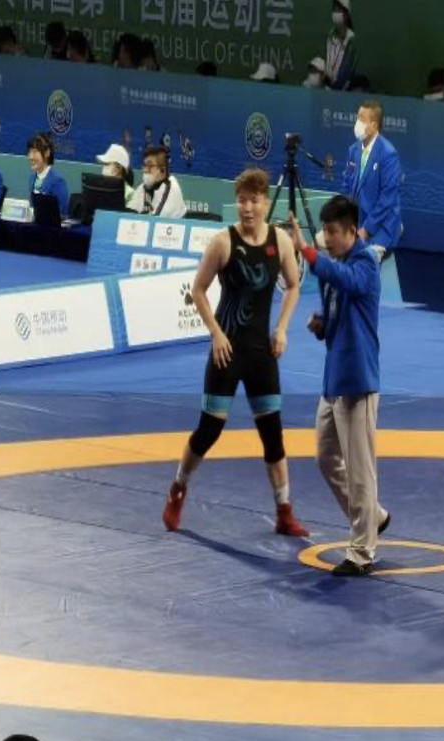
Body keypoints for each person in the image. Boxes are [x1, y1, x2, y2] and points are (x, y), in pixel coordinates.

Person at [162, 168, 308, 538]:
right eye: (241, 201)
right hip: (227, 351)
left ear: (265, 203)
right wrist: (215, 333)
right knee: (209, 429)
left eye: (254, 201)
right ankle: (178, 487)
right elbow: (198, 290)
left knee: (273, 435)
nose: (247, 208)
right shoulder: (222, 243)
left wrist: (282, 328)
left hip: (261, 351)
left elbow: (294, 286)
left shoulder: (280, 241)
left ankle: (284, 512)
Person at [287, 198, 389, 577]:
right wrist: (322, 326)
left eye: (332, 232)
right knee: (326, 457)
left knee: (360, 469)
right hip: (334, 378)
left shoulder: (365, 262)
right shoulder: (335, 265)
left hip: (357, 379)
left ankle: (362, 551)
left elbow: (350, 282)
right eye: (324, 231)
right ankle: (373, 515)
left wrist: (308, 252)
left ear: (351, 232)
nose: (326, 238)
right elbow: (338, 311)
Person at [341, 100, 401, 261]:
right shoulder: (353, 150)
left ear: (373, 126)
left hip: (380, 227)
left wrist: (366, 230)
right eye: (357, 117)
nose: (357, 123)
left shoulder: (388, 154)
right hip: (356, 222)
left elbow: (387, 199)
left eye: (361, 119)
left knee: (362, 263)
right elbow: (346, 185)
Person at [132, 145, 187, 219]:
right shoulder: (143, 187)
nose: (145, 170)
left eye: (150, 166)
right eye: (144, 165)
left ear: (162, 171)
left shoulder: (171, 186)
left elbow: (156, 220)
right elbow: (130, 213)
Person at [25, 132, 69, 219]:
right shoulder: (32, 178)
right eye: (29, 152)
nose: (30, 157)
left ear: (47, 153)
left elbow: (61, 215)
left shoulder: (58, 181)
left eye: (35, 152)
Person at [325, 0, 357, 91]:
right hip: (326, 88)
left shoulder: (351, 39)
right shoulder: (330, 35)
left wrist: (334, 85)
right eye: (334, 10)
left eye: (338, 10)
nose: (335, 14)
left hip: (341, 90)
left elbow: (347, 71)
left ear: (346, 15)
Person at [96, 143, 137, 207]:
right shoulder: (100, 191)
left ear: (118, 168)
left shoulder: (131, 195)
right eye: (103, 164)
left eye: (107, 164)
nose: (103, 168)